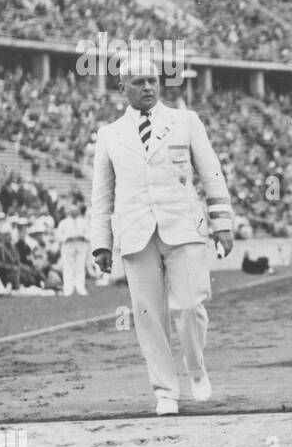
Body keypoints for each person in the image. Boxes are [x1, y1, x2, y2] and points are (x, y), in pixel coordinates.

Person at [91, 58, 234, 415]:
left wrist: (222, 222)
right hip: (137, 233)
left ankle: (197, 369)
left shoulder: (186, 122)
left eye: (152, 80)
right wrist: (101, 242)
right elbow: (101, 195)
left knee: (188, 305)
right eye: (138, 82)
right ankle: (165, 391)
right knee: (148, 315)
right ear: (122, 88)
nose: (148, 88)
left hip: (183, 226)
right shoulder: (109, 135)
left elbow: (211, 172)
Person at [55, 201, 90, 296]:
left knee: (80, 267)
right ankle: (68, 289)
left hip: (80, 246)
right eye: (72, 211)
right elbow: (58, 235)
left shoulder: (83, 221)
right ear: (69, 212)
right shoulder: (63, 222)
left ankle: (80, 287)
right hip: (68, 247)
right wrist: (67, 238)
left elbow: (89, 233)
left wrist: (83, 236)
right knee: (68, 268)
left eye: (76, 210)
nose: (74, 212)